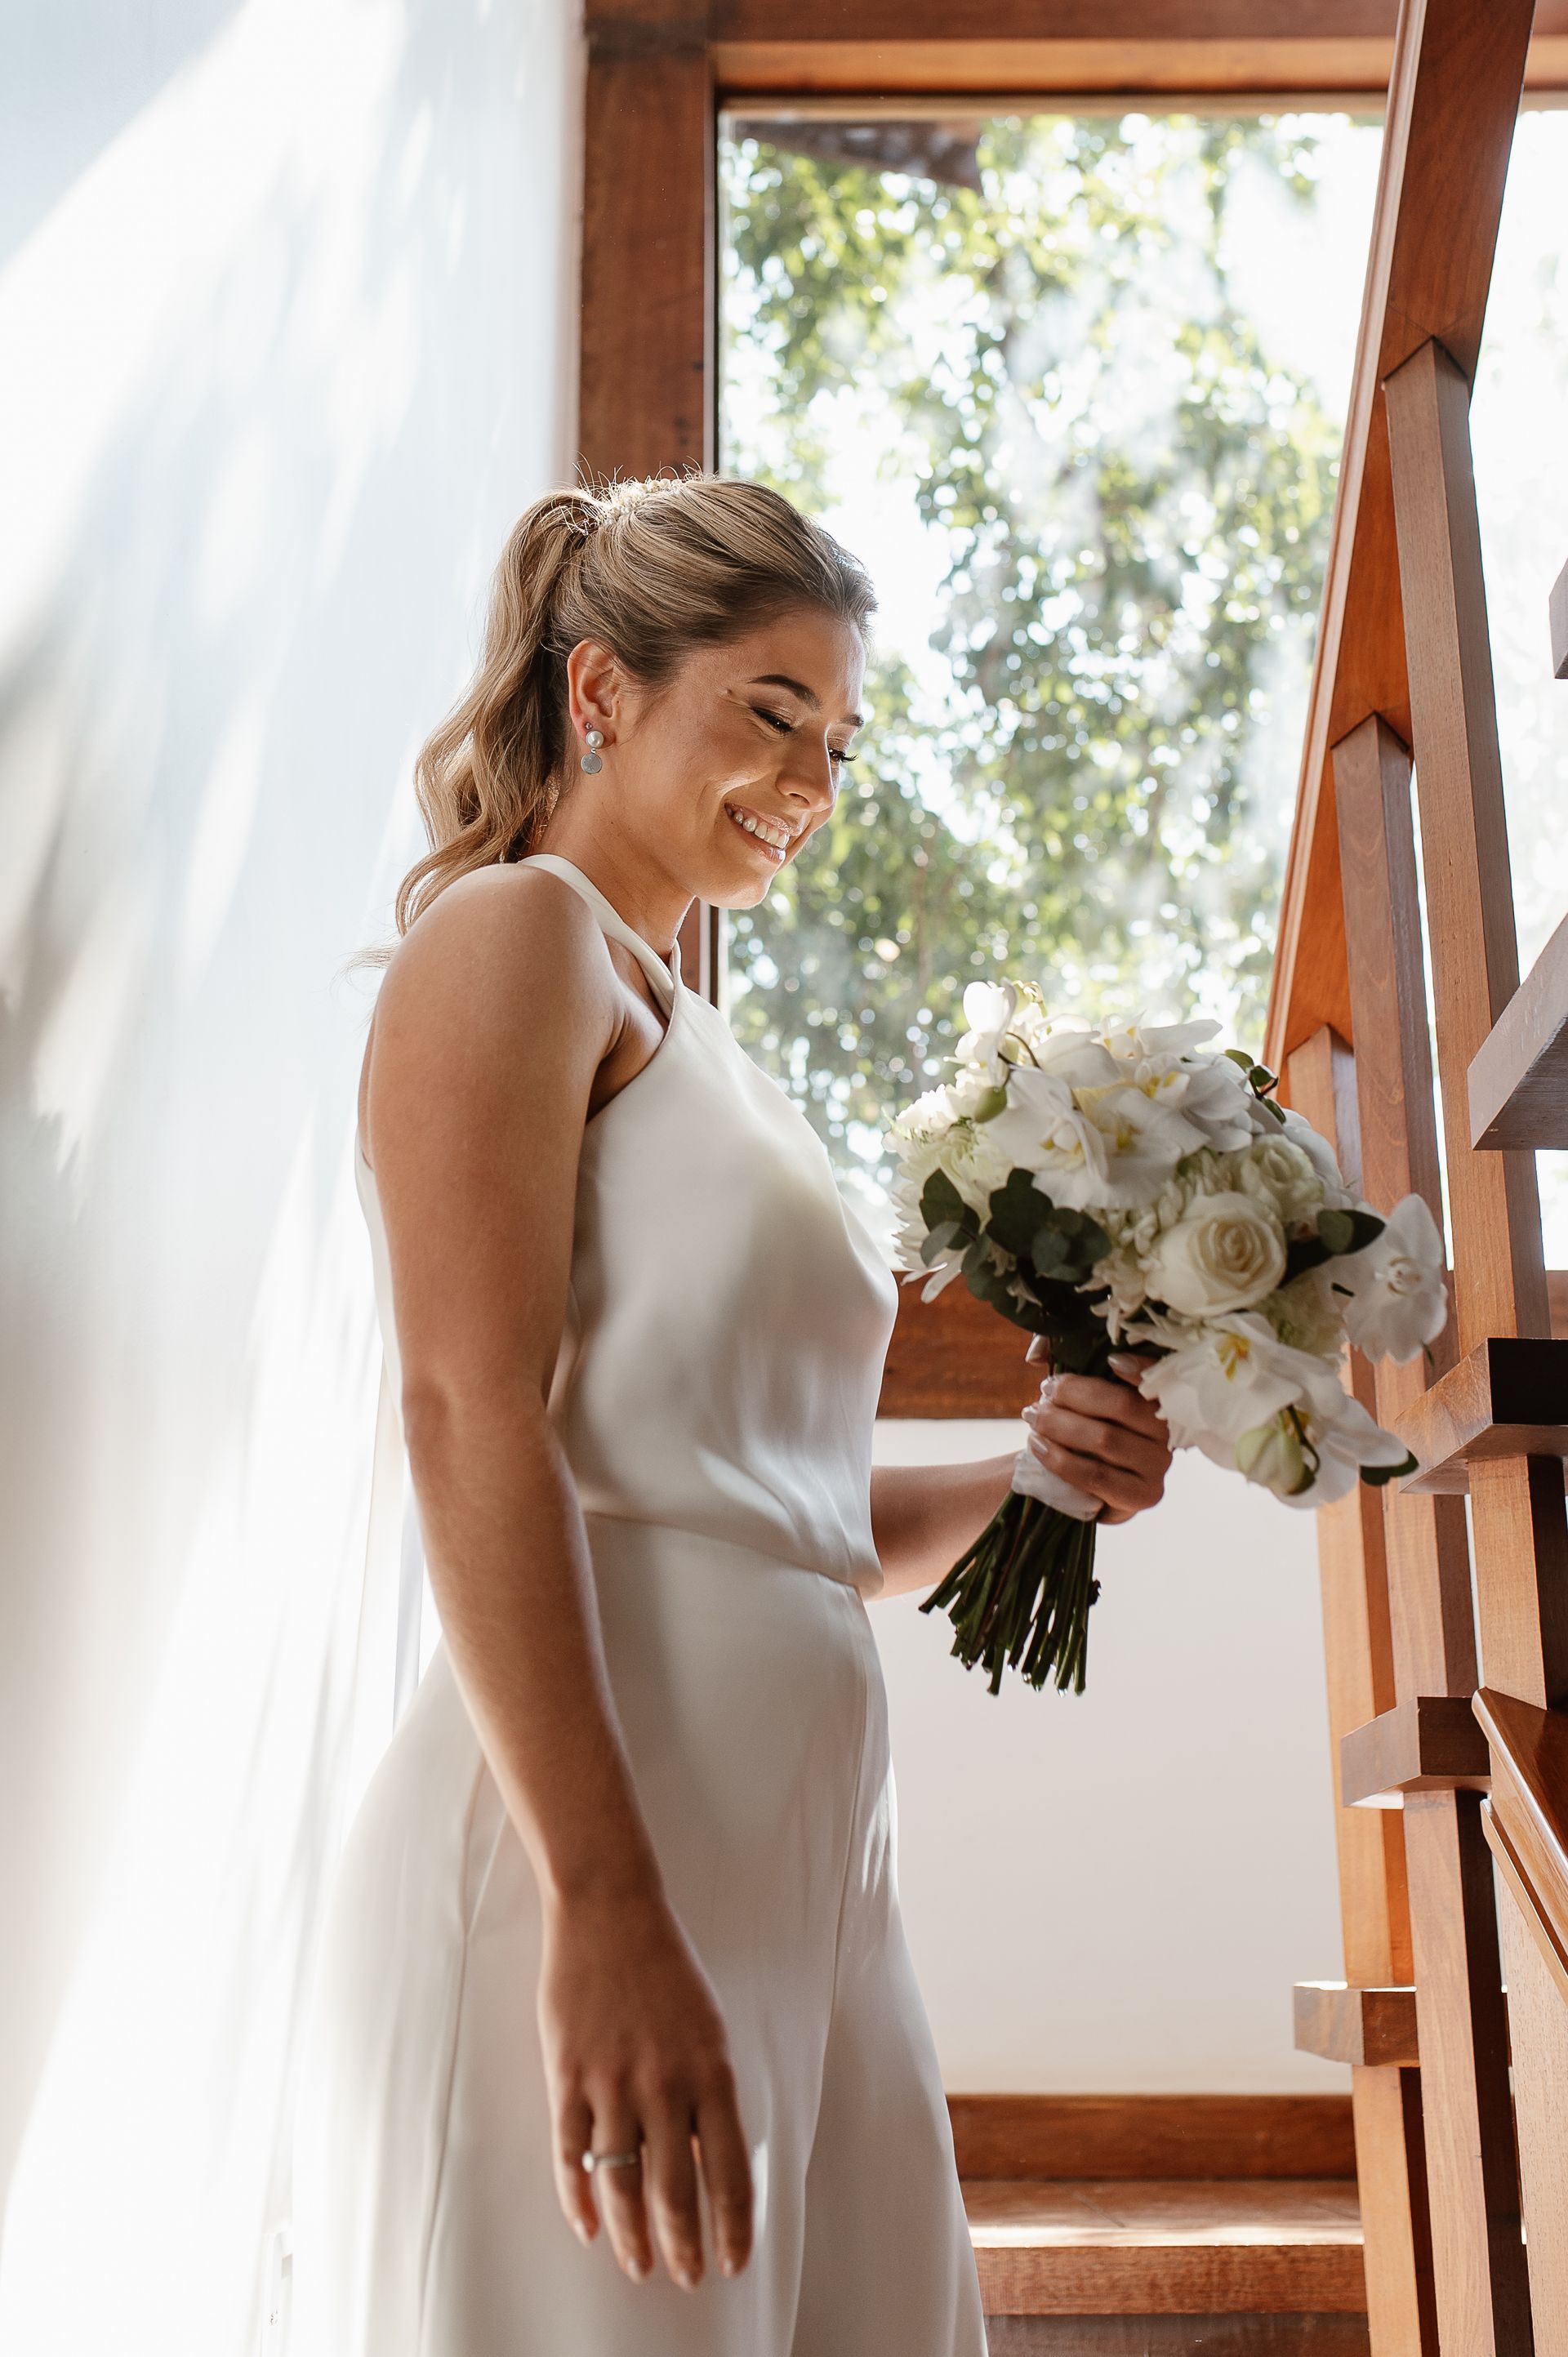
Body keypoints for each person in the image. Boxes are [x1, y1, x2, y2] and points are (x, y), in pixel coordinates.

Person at [288, 474, 1171, 2356]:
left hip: (808, 1863)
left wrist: (1029, 1476)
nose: (816, 779)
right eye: (772, 713)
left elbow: (783, 1510)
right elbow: (471, 1417)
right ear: (602, 692)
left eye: (840, 737)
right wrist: (600, 1906)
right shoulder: (518, 938)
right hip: (599, 1845)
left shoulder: (709, 1048)